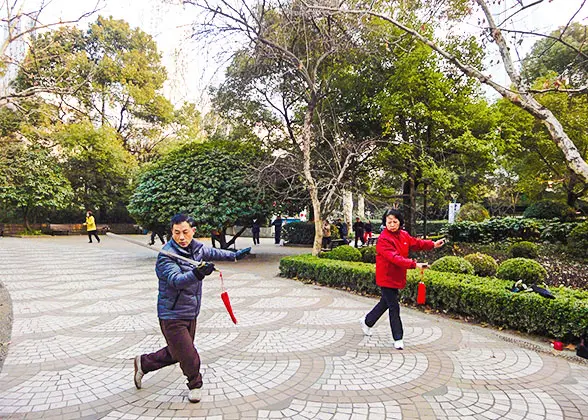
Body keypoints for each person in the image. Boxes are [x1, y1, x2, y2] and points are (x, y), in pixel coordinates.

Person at [133, 213, 251, 403]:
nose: (181, 237)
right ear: (171, 232)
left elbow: (214, 252)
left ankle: (144, 363)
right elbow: (176, 281)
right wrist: (197, 273)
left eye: (185, 232)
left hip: (191, 312)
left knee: (176, 352)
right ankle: (195, 384)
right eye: (176, 232)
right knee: (189, 355)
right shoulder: (166, 256)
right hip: (171, 314)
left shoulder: (197, 248)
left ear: (193, 231)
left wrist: (234, 256)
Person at [359, 209, 444, 350]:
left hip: (397, 275)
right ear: (384, 223)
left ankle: (367, 322)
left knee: (385, 302)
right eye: (389, 222)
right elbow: (394, 258)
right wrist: (414, 264)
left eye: (395, 221)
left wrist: (433, 244)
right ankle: (398, 338)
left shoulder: (403, 235)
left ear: (400, 222)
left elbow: (416, 243)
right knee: (394, 306)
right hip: (386, 276)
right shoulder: (383, 239)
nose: (392, 224)